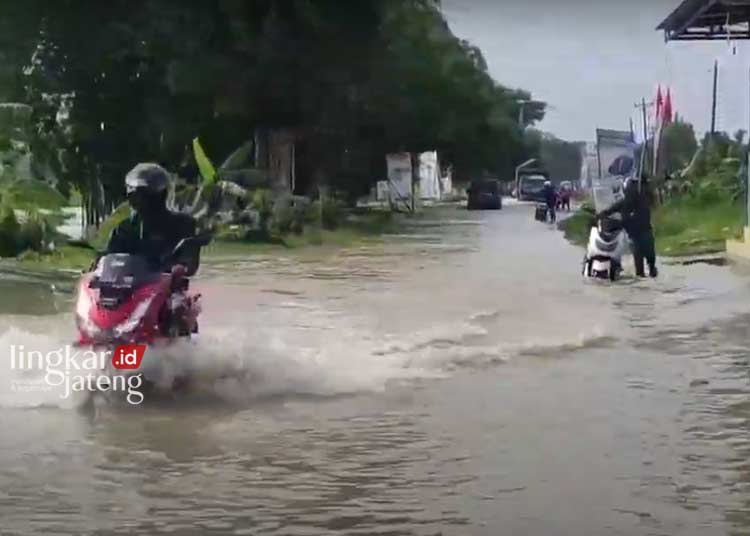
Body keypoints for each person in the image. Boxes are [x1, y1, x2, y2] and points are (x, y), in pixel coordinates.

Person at [106, 162, 199, 275]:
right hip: (130, 286)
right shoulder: (124, 228)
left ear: (160, 195)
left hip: (167, 286)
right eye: (134, 194)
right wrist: (100, 264)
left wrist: (180, 267)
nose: (135, 199)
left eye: (143, 194)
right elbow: (111, 259)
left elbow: (189, 261)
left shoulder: (183, 224)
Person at [596, 174, 658, 278]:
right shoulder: (624, 203)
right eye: (630, 188)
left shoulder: (643, 200)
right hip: (635, 236)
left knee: (650, 260)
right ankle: (644, 276)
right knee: (640, 266)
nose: (631, 190)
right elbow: (610, 210)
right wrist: (600, 215)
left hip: (644, 233)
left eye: (633, 188)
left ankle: (651, 271)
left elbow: (651, 196)